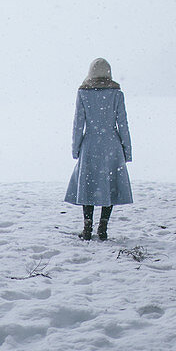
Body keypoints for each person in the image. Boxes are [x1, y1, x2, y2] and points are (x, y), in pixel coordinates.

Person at [64, 58, 132, 239]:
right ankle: (103, 227)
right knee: (109, 186)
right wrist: (127, 150)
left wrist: (76, 148)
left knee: (88, 185)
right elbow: (123, 124)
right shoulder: (117, 93)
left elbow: (78, 123)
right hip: (112, 144)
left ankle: (87, 228)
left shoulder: (83, 93)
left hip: (91, 144)